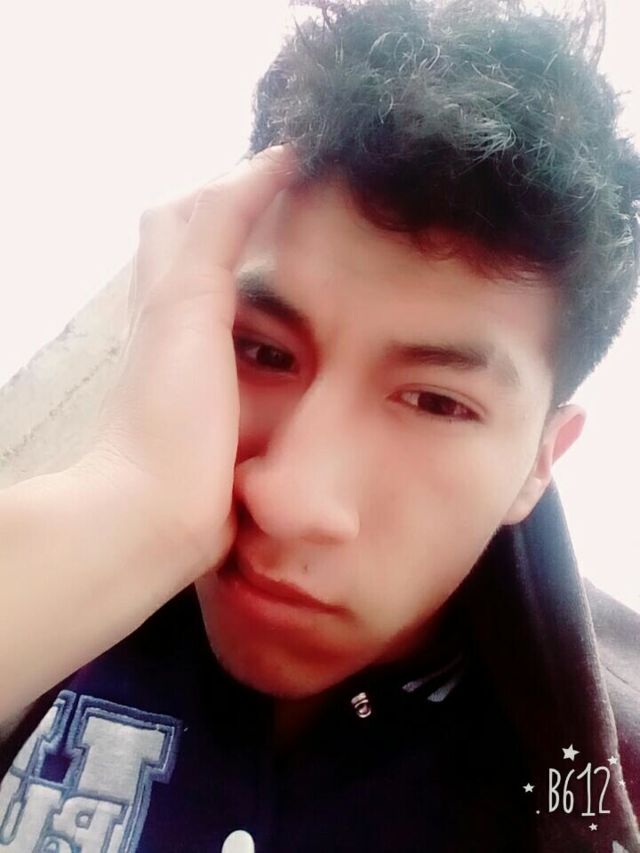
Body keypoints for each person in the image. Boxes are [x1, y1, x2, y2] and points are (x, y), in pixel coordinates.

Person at [0, 0, 639, 850]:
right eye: (262, 351)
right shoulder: (55, 605)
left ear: (539, 460)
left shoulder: (601, 775)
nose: (290, 497)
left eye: (437, 401)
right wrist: (129, 510)